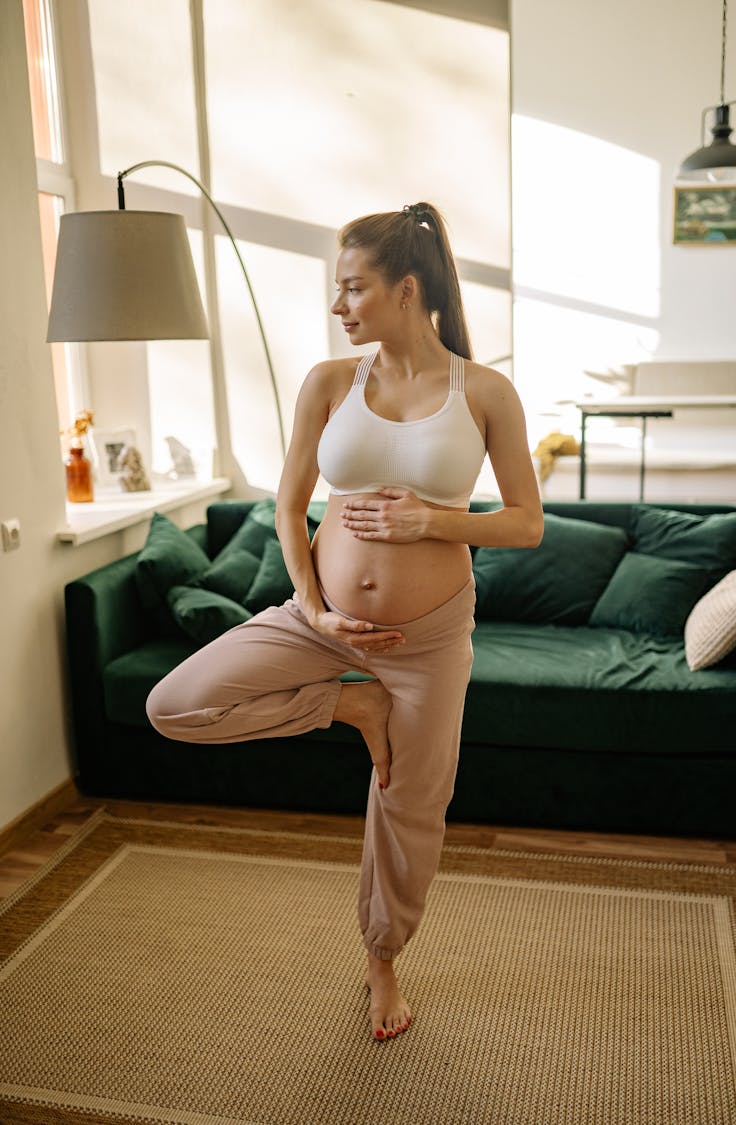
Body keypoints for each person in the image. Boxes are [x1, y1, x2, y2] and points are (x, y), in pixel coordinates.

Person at [146, 202, 543, 1041]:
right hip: (316, 620)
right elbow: (289, 509)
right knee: (173, 705)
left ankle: (382, 959)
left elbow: (525, 521)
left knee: (410, 806)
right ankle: (350, 706)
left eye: (352, 288)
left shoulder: (486, 391)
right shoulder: (330, 384)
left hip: (430, 639)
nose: (339, 306)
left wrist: (433, 522)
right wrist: (318, 613)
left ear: (405, 289)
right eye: (338, 289)